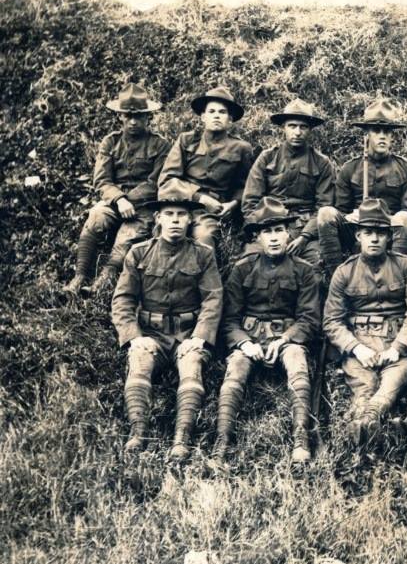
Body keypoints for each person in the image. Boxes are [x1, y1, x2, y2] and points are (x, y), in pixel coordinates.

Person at [111, 179, 223, 460]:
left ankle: (181, 439)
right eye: (169, 214)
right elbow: (123, 299)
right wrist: (135, 337)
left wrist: (199, 337)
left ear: (190, 219)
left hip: (188, 334)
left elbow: (213, 298)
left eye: (181, 214)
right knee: (139, 363)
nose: (175, 221)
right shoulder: (138, 253)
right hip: (151, 334)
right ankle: (138, 432)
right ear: (158, 218)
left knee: (191, 366)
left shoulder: (203, 254)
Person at [211, 198, 321, 467]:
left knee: (297, 359)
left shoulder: (304, 271)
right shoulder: (242, 269)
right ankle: (222, 441)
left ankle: (300, 438)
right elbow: (229, 319)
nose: (274, 238)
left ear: (289, 233)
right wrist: (244, 343)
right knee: (236, 365)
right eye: (267, 232)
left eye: (279, 230)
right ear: (257, 237)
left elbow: (309, 318)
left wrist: (285, 340)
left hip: (286, 339)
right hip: (250, 340)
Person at [322, 198, 407, 440]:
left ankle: (367, 422)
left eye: (380, 233)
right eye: (368, 232)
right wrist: (356, 348)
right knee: (364, 387)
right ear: (358, 236)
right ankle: (374, 428)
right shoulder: (344, 271)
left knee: (391, 385)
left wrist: (399, 347)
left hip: (395, 343)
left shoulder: (406, 265)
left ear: (389, 237)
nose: (374, 239)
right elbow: (332, 321)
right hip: (360, 345)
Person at [65, 84, 171, 294]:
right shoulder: (110, 142)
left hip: (144, 206)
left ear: (148, 117)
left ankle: (103, 282)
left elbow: (156, 182)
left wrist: (130, 201)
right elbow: (102, 180)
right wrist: (119, 200)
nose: (133, 121)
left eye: (139, 116)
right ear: (119, 116)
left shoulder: (160, 145)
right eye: (128, 115)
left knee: (127, 237)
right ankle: (79, 277)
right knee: (96, 216)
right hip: (114, 202)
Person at [318, 98, 407, 273]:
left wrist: (382, 218)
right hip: (356, 231)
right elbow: (341, 208)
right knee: (325, 214)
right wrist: (350, 216)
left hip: (388, 232)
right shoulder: (350, 168)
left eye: (387, 132)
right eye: (376, 130)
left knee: (403, 218)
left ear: (392, 136)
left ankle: (395, 275)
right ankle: (334, 275)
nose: (382, 136)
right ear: (366, 134)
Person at [241, 98, 334, 268]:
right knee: (249, 265)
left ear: (310, 130)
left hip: (304, 230)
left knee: (315, 268)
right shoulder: (267, 158)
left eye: (303, 127)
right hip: (269, 227)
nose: (297, 132)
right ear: (283, 128)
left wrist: (304, 237)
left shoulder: (322, 163)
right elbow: (250, 201)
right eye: (292, 126)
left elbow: (323, 206)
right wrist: (260, 233)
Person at [158, 86, 255, 248]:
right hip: (180, 203)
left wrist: (233, 204)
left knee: (205, 237)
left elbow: (245, 186)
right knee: (164, 238)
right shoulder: (186, 141)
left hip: (212, 212)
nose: (216, 115)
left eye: (222, 112)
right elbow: (168, 179)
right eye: (211, 111)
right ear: (203, 117)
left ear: (230, 119)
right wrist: (200, 198)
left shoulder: (241, 148)